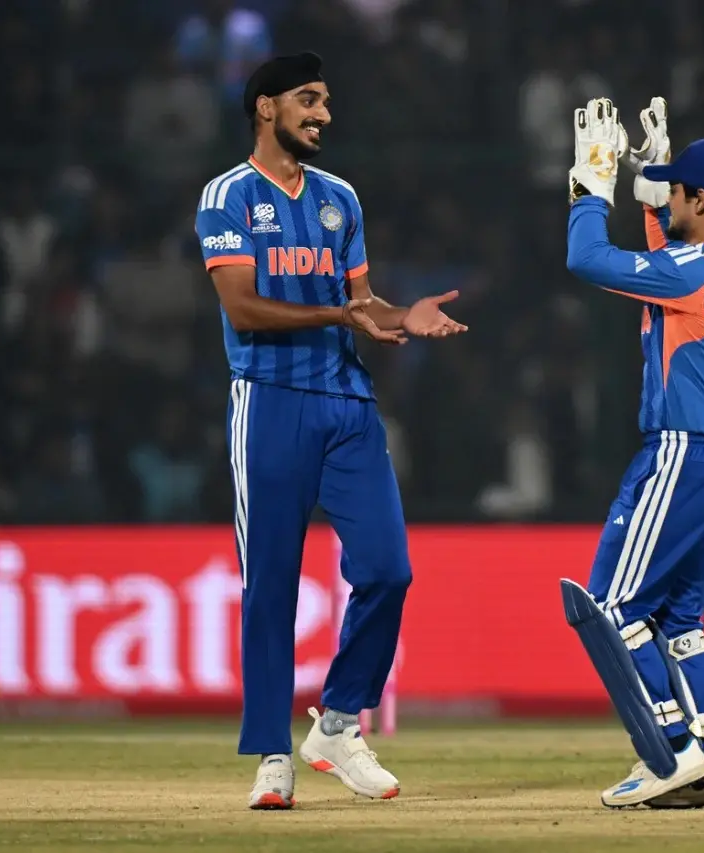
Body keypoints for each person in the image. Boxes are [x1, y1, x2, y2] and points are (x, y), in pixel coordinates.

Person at [194, 51, 467, 810]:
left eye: (325, 101)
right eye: (308, 100)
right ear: (266, 107)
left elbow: (363, 303)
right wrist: (342, 316)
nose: (324, 114)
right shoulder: (227, 196)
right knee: (270, 586)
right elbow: (243, 308)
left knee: (387, 570)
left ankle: (339, 724)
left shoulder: (339, 198)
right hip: (269, 402)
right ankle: (271, 756)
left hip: (347, 402)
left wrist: (401, 313)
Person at [560, 96, 704, 808]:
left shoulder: (693, 269)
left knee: (611, 607)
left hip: (678, 454)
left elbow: (586, 258)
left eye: (676, 192)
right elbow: (666, 262)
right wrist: (651, 196)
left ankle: (672, 753)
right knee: (675, 619)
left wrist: (590, 186)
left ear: (700, 200)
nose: (668, 198)